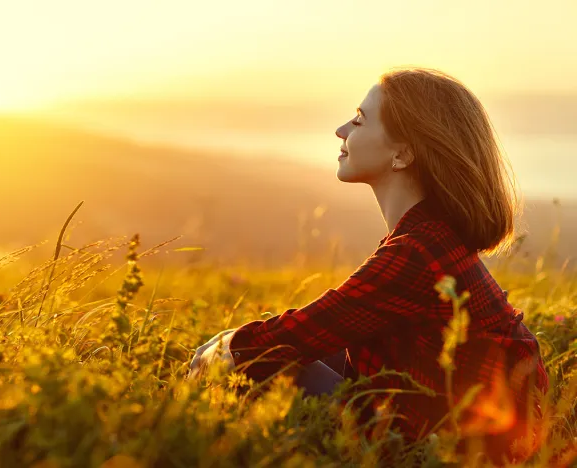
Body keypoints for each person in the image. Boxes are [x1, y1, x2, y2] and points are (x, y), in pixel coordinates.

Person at [188, 67, 548, 464]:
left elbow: (298, 333)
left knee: (264, 363)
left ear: (403, 154)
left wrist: (222, 350)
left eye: (359, 120)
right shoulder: (432, 234)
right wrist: (232, 340)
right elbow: (326, 329)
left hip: (441, 452)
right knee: (273, 346)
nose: (341, 130)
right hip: (456, 434)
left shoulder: (416, 251)